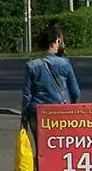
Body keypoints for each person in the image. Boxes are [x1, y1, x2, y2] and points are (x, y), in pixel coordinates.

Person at [21, 25, 82, 158]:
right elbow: (75, 91)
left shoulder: (32, 65)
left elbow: (27, 94)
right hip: (60, 111)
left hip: (37, 112)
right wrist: (74, 108)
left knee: (41, 148)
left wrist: (24, 119)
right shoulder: (65, 64)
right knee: (61, 147)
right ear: (54, 42)